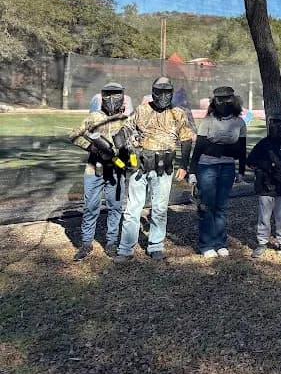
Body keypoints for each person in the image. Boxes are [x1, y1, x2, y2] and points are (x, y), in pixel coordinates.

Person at [114, 77, 194, 263]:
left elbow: (186, 140)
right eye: (160, 91)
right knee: (133, 208)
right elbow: (126, 128)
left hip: (163, 167)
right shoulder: (142, 110)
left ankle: (155, 246)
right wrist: (121, 140)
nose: (163, 96)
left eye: (167, 92)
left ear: (172, 92)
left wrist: (184, 165)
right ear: (154, 91)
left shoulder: (178, 113)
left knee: (159, 209)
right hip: (139, 166)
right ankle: (125, 249)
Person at [68, 82, 130, 260]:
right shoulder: (93, 117)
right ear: (102, 97)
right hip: (93, 169)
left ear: (122, 97)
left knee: (115, 207)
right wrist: (91, 148)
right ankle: (86, 244)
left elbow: (134, 143)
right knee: (90, 207)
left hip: (116, 170)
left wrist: (128, 155)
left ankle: (111, 243)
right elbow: (74, 135)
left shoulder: (126, 120)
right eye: (108, 94)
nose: (111, 99)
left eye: (116, 94)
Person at [188, 86, 247, 259]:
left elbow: (241, 150)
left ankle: (220, 243)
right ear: (214, 101)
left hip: (228, 168)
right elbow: (199, 148)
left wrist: (241, 171)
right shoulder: (208, 121)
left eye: (227, 98)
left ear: (233, 99)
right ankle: (206, 244)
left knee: (221, 207)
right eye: (219, 99)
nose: (223, 102)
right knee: (207, 206)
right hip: (207, 167)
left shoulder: (239, 123)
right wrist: (192, 172)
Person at [248, 114, 281, 259]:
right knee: (264, 217)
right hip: (265, 185)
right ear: (270, 125)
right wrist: (266, 166)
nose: (278, 127)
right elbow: (250, 161)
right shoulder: (263, 144)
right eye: (275, 124)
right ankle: (262, 243)